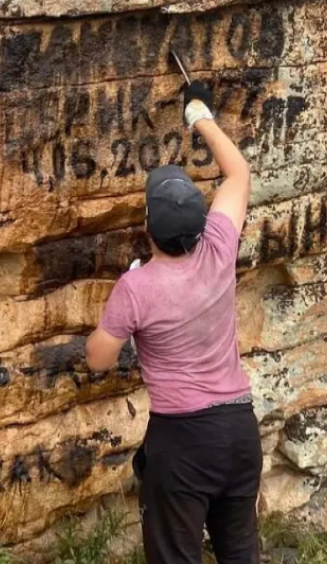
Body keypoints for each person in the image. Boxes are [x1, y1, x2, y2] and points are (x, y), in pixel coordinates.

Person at [85, 80, 260, 564]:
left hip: (182, 442)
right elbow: (238, 173)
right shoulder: (220, 249)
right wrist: (198, 115)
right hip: (239, 430)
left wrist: (123, 302)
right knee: (241, 552)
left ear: (148, 226)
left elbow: (98, 360)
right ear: (202, 223)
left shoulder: (137, 289)